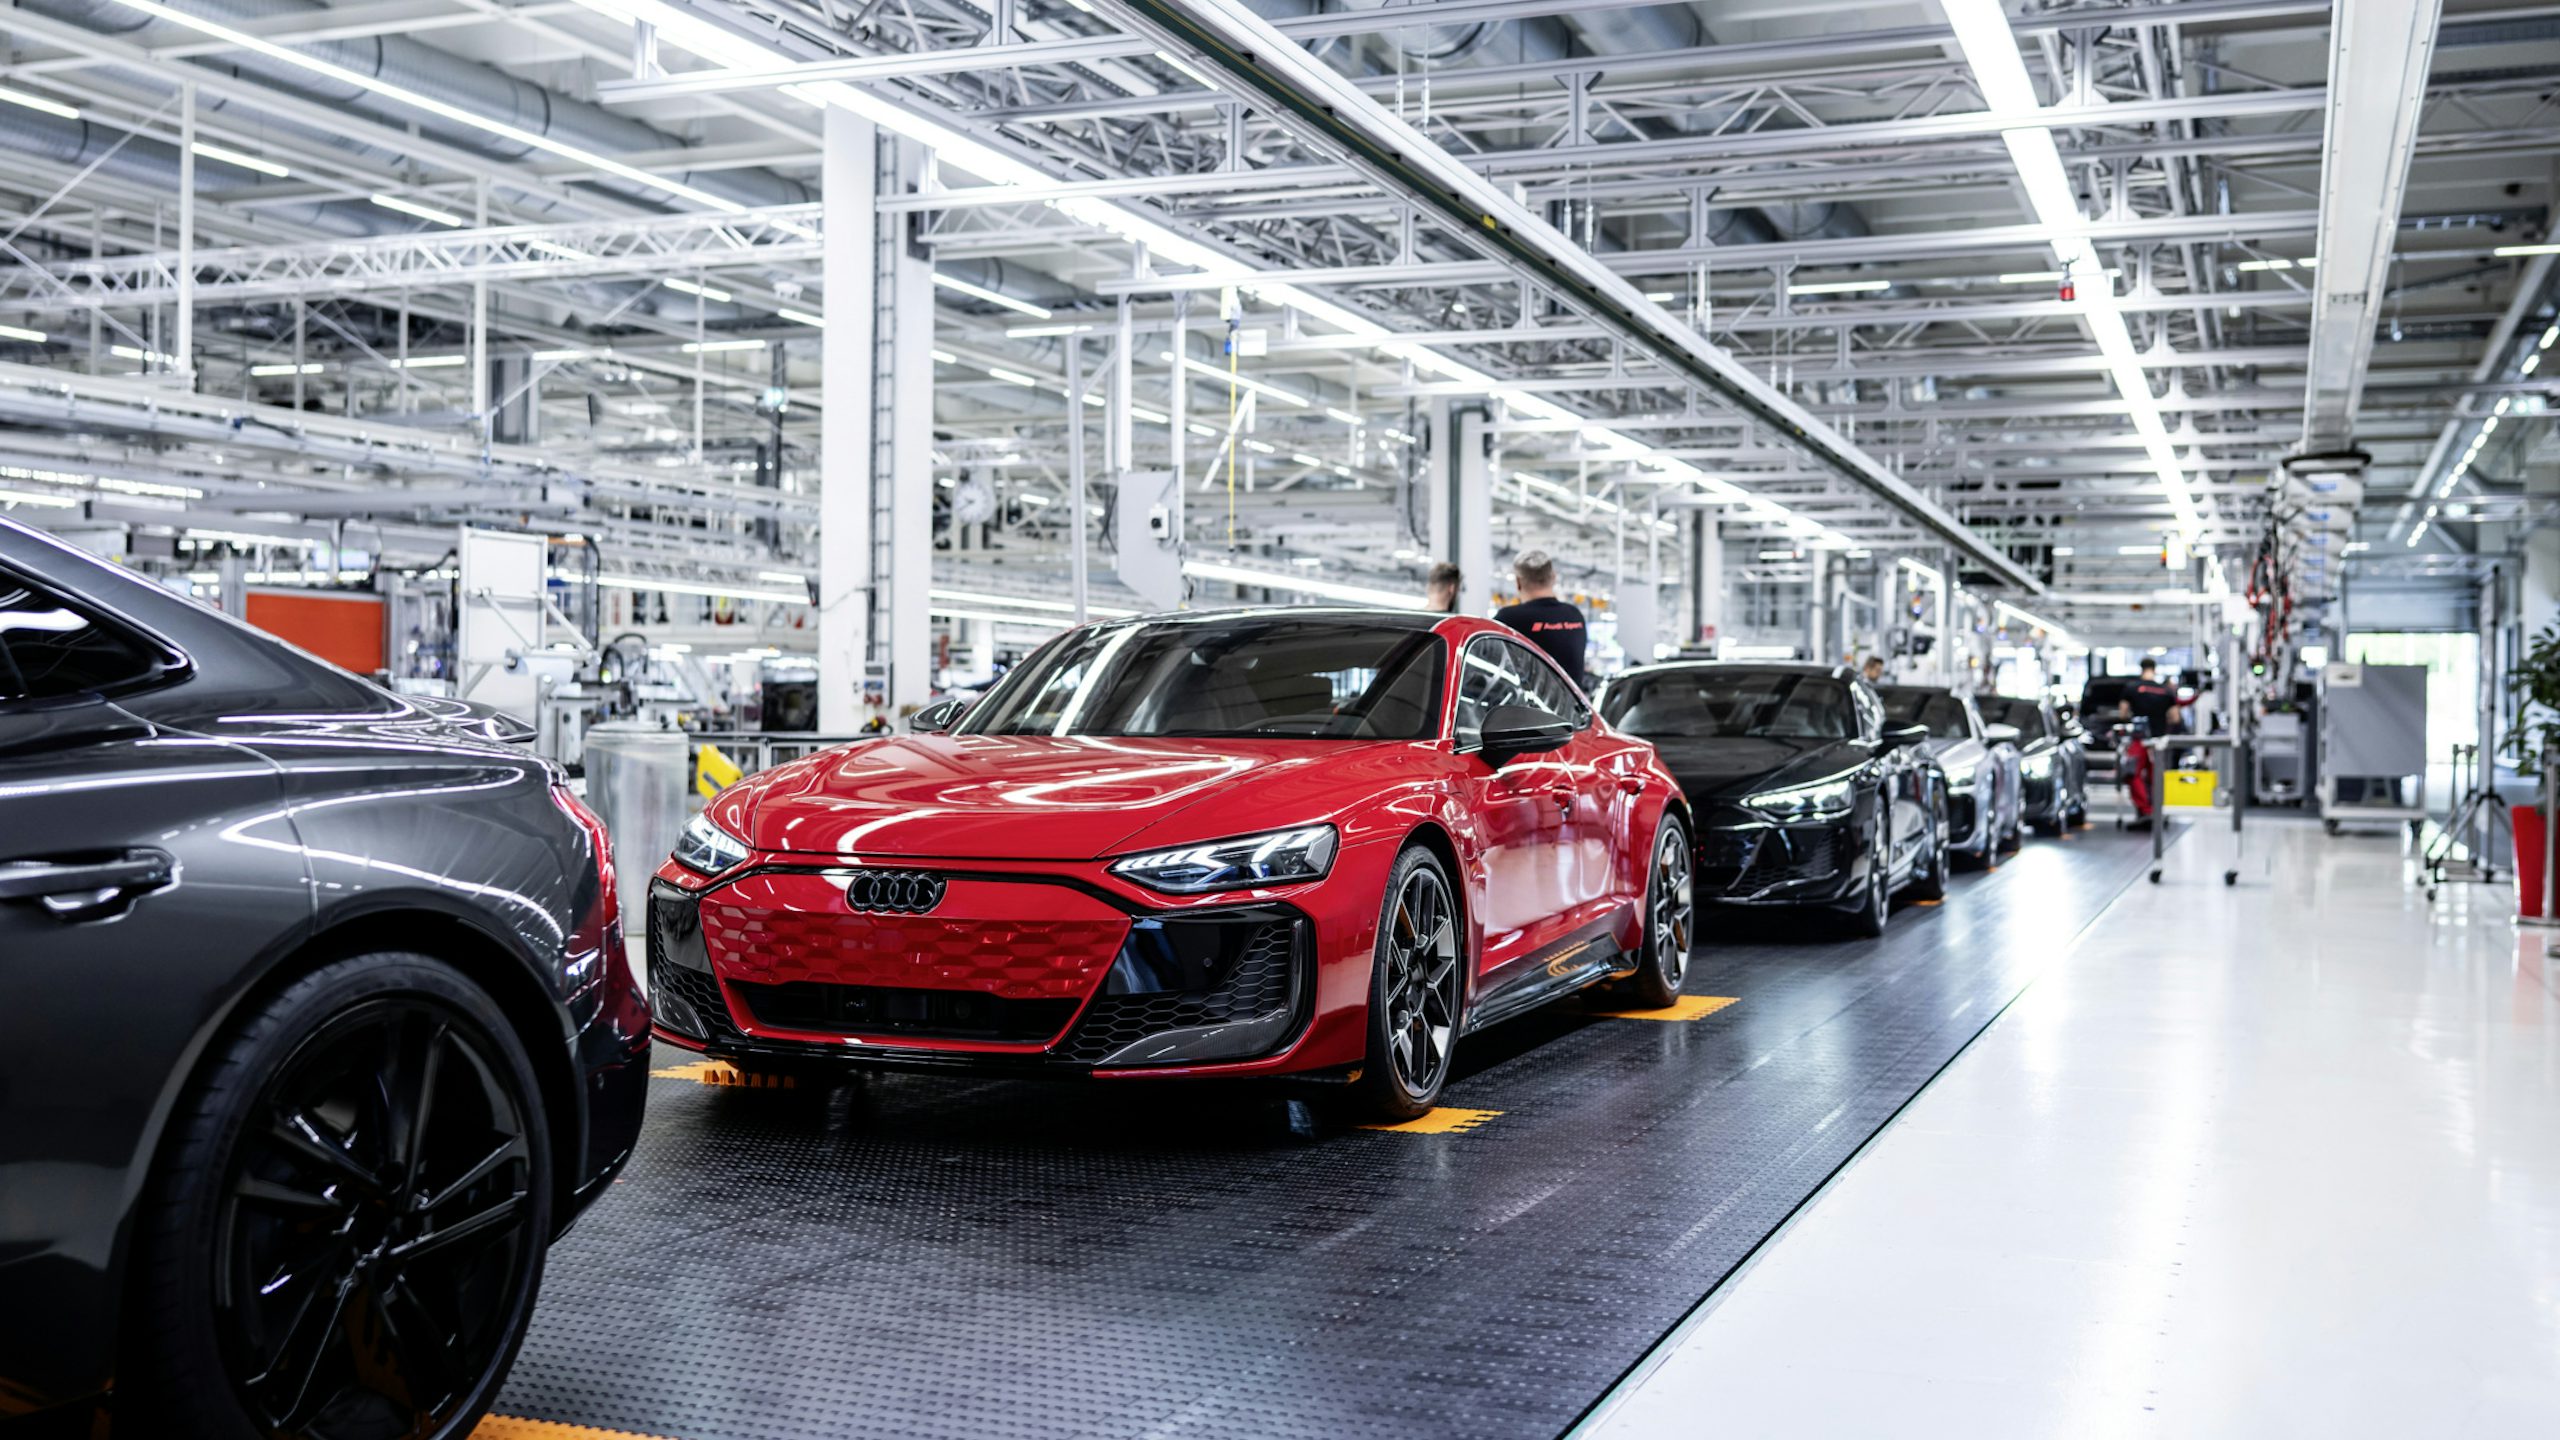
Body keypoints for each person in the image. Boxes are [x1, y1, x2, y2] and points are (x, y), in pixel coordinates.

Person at [1494, 550, 1588, 688]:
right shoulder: (1575, 615)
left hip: (1527, 708)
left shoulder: (1508, 619)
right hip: (1573, 708)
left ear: (1518, 582)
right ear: (1553, 577)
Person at [2118, 657, 2178, 734]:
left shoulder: (2131, 688)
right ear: (2155, 670)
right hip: (2159, 737)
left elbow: (2123, 714)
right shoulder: (2167, 690)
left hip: (2139, 736)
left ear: (2141, 669)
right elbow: (2175, 718)